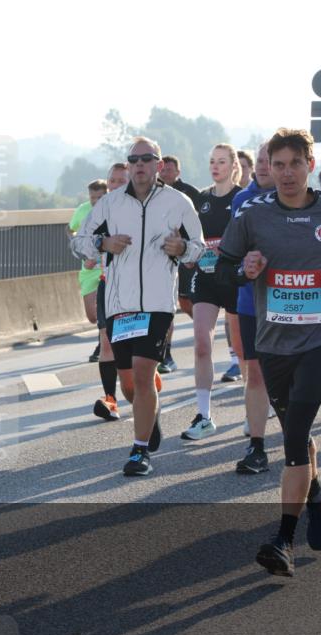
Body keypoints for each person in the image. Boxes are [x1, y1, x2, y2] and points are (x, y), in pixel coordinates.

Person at [217, 127, 321, 577]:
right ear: (269, 168)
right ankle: (318, 494)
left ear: (309, 165)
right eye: (277, 165)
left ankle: (283, 540)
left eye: (295, 163)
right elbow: (224, 268)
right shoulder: (253, 214)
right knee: (296, 430)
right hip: (272, 342)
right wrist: (245, 270)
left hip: (318, 339)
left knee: (295, 435)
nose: (286, 173)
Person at [73, 136, 205, 476]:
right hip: (120, 305)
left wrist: (182, 249)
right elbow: (79, 243)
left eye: (146, 159)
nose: (139, 165)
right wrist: (103, 242)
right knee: (129, 383)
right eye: (134, 160)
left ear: (158, 165)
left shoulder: (178, 202)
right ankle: (150, 414)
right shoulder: (110, 203)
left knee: (144, 374)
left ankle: (139, 451)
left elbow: (199, 248)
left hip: (158, 305)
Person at [181, 144, 244, 440]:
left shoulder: (242, 198)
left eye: (221, 161)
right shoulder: (202, 200)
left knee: (243, 350)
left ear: (233, 165)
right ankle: (204, 416)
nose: (215, 167)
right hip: (205, 278)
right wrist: (188, 253)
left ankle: (256, 404)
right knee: (201, 344)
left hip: (234, 279)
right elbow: (191, 239)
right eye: (211, 162)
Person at [229, 143, 277, 474]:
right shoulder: (241, 200)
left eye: (268, 161)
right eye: (259, 160)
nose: (261, 166)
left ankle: (299, 440)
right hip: (250, 300)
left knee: (287, 375)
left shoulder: (305, 201)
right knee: (256, 371)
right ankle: (257, 447)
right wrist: (241, 268)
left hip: (290, 299)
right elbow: (232, 250)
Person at [92, 164, 135, 422]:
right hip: (108, 284)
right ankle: (111, 400)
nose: (116, 185)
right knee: (106, 342)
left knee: (133, 345)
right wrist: (99, 243)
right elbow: (87, 242)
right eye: (112, 181)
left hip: (138, 287)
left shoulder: (143, 209)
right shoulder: (101, 211)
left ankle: (146, 380)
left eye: (121, 180)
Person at [159, 155, 202, 372]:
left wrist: (190, 252)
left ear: (178, 172)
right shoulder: (152, 192)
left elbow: (200, 225)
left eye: (170, 170)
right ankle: (165, 355)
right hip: (161, 258)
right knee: (167, 305)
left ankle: (204, 328)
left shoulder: (189, 194)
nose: (165, 173)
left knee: (185, 302)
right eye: (163, 169)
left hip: (185, 256)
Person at [68, 180, 109, 362]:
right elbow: (70, 230)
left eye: (100, 197)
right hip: (89, 269)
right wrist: (83, 256)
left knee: (106, 310)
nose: (96, 201)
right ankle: (104, 338)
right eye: (93, 198)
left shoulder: (114, 209)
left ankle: (103, 344)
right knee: (92, 316)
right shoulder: (82, 211)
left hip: (109, 267)